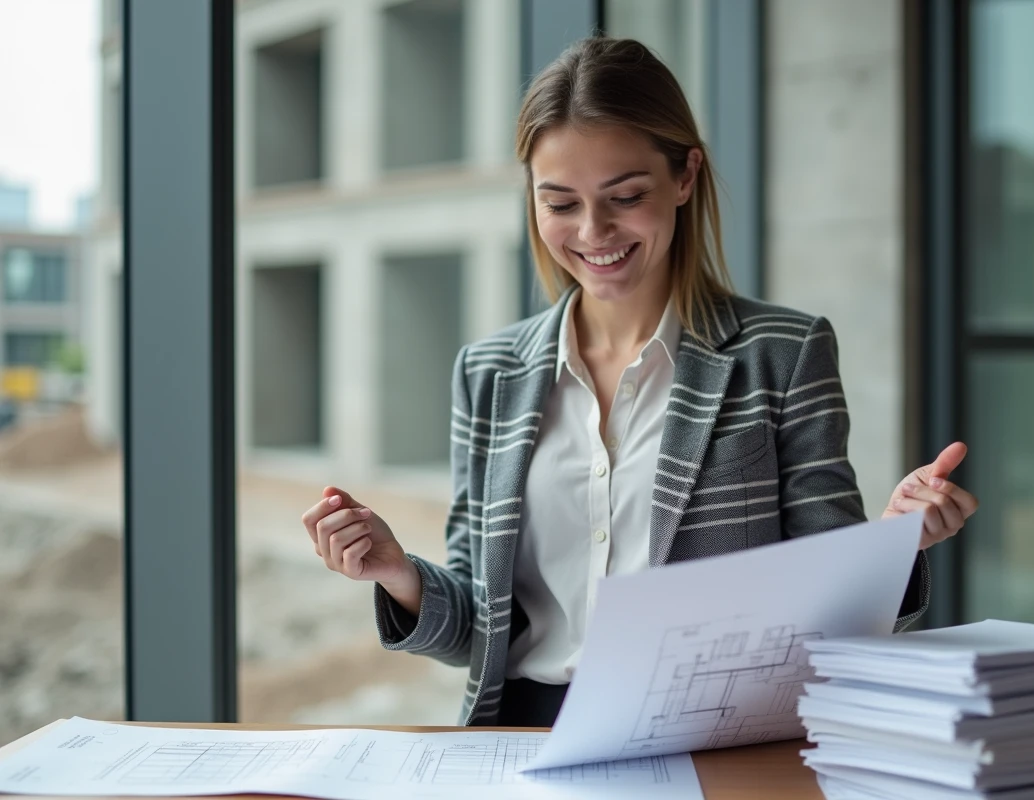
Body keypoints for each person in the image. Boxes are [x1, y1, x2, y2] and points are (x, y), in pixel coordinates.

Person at [300, 36, 979, 728]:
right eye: (559, 203)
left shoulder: (784, 353)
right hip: (523, 737)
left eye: (625, 196)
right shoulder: (489, 372)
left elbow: (826, 619)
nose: (594, 232)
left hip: (714, 736)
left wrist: (893, 544)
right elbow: (480, 630)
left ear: (685, 176)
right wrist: (396, 573)